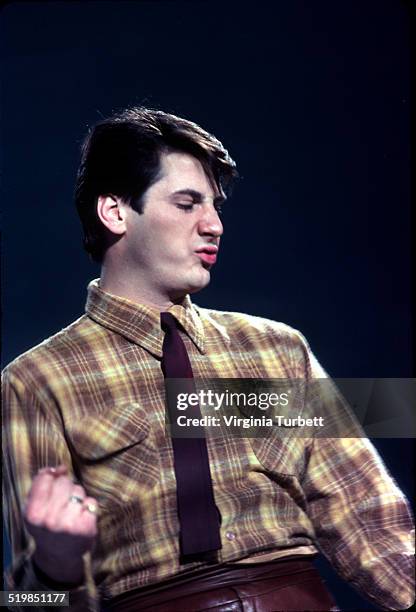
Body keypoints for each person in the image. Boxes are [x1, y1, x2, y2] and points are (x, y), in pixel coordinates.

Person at [2, 107, 414, 612]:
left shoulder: (276, 349)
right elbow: (22, 600)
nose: (214, 225)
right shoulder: (36, 380)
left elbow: (371, 523)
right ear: (114, 212)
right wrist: (53, 568)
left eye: (215, 206)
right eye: (186, 203)